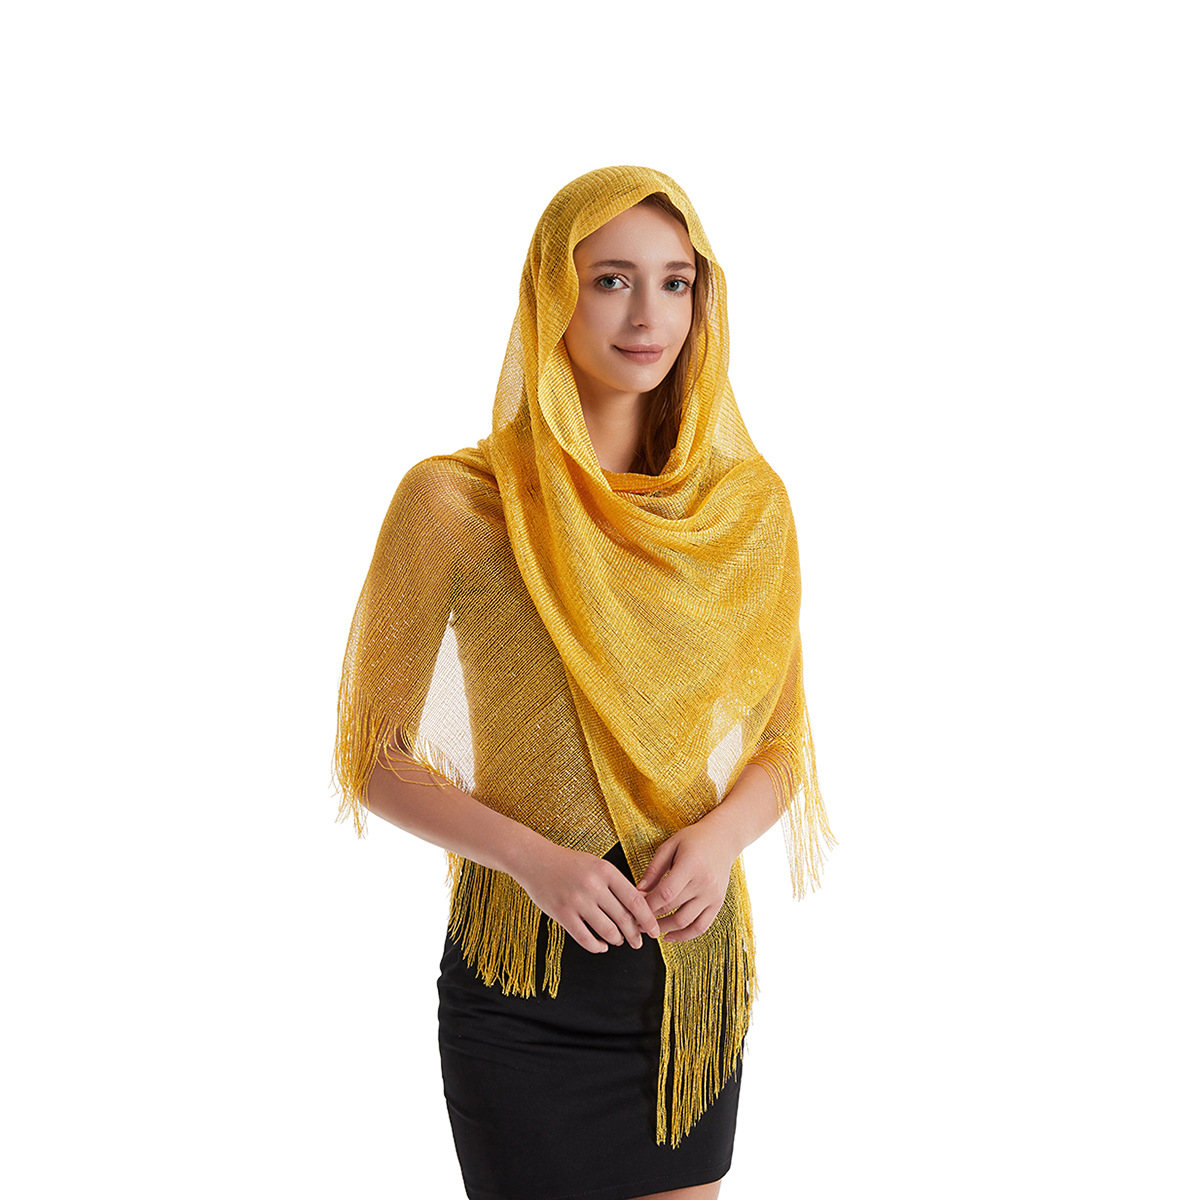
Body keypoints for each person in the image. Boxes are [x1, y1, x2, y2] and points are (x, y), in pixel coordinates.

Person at [333, 164, 836, 1200]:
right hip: (521, 978)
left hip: (685, 980)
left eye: (675, 282)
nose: (648, 315)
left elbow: (783, 745)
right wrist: (534, 861)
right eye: (611, 280)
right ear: (551, 295)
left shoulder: (746, 509)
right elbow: (372, 757)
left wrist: (720, 840)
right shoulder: (455, 503)